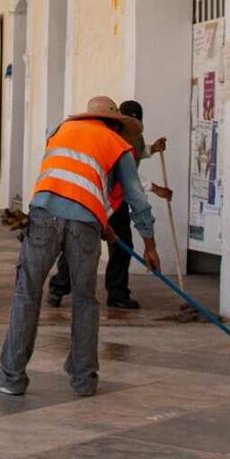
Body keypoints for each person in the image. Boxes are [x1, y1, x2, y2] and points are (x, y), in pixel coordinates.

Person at [0, 97, 161, 398]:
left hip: (43, 217)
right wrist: (150, 246)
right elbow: (136, 200)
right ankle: (84, 379)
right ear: (116, 123)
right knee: (85, 300)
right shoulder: (118, 145)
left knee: (26, 294)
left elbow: (67, 181)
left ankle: (11, 377)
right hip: (84, 226)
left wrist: (100, 222)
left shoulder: (61, 131)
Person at [46, 99, 172, 310]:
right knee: (76, 245)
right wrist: (150, 246)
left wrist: (153, 149)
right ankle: (60, 288)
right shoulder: (106, 140)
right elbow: (132, 183)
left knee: (120, 246)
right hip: (85, 200)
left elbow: (133, 164)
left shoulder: (69, 132)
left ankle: (117, 293)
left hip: (109, 200)